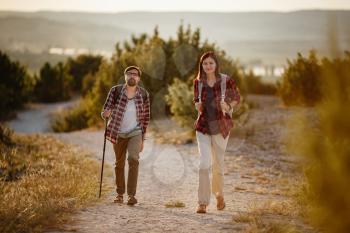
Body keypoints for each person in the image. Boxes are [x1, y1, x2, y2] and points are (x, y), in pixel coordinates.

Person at [193, 51, 240, 213]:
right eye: (205, 63)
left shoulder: (226, 80)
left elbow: (236, 98)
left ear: (216, 64)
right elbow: (196, 101)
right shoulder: (198, 82)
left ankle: (219, 195)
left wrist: (228, 106)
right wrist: (197, 106)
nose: (208, 66)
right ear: (202, 65)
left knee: (218, 166)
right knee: (204, 164)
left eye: (211, 63)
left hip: (221, 128)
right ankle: (202, 202)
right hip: (203, 127)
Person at [101, 65, 150, 205]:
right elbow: (106, 109)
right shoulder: (115, 91)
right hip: (118, 132)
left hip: (135, 132)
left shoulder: (144, 94)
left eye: (135, 74)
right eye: (129, 74)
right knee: (119, 163)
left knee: (134, 159)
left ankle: (131, 195)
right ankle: (119, 194)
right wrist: (105, 113)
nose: (132, 76)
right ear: (125, 76)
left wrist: (143, 139)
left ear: (139, 78)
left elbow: (146, 118)